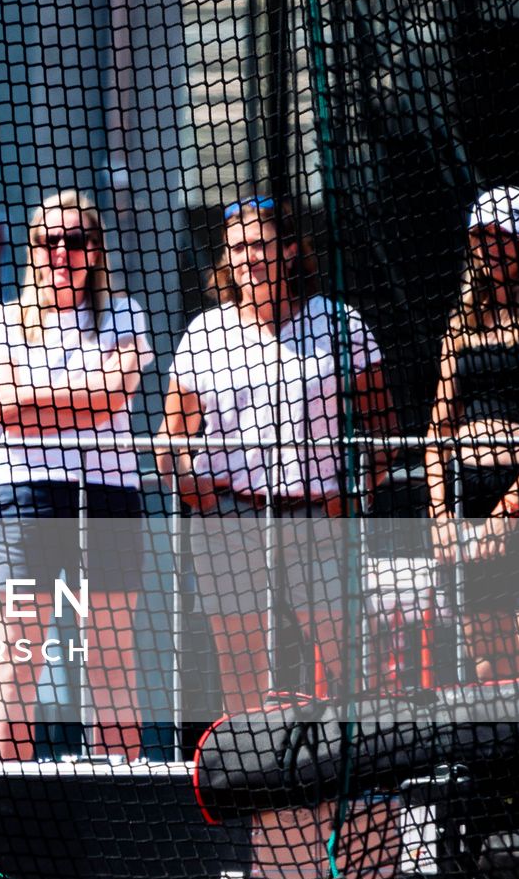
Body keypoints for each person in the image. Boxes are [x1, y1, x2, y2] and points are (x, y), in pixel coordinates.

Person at [160, 196, 392, 714]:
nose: (249, 258)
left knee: (350, 660)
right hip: (231, 517)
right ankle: (253, 791)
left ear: (289, 250)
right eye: (238, 247)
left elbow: (383, 425)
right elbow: (169, 437)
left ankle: (364, 785)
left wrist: (359, 492)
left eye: (260, 245)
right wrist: (186, 481)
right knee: (240, 672)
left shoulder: (339, 324)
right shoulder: (206, 332)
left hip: (319, 516)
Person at [0, 190, 153, 761]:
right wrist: (82, 401)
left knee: (109, 651)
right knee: (19, 650)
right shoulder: (4, 320)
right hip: (25, 496)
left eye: (74, 240)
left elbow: (113, 397)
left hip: (108, 494)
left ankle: (121, 797)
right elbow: (1, 407)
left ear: (96, 250)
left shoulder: (124, 313)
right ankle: (11, 801)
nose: (61, 252)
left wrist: (40, 406)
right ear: (31, 250)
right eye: (48, 240)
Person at [428, 185, 519, 682]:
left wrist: (508, 511)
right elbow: (437, 430)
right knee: (488, 668)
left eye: (500, 235)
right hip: (469, 504)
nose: (489, 247)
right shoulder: (461, 324)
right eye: (481, 237)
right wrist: (440, 516)